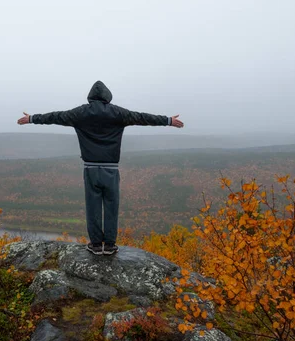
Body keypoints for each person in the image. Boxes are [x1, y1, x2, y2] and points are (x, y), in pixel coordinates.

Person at [17, 81, 184, 255]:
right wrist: (168, 120)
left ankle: (96, 245)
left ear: (90, 97)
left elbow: (55, 117)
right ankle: (110, 245)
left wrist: (32, 118)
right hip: (111, 169)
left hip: (90, 169)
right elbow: (142, 117)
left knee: (93, 206)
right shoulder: (117, 113)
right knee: (112, 206)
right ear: (107, 97)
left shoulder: (80, 113)